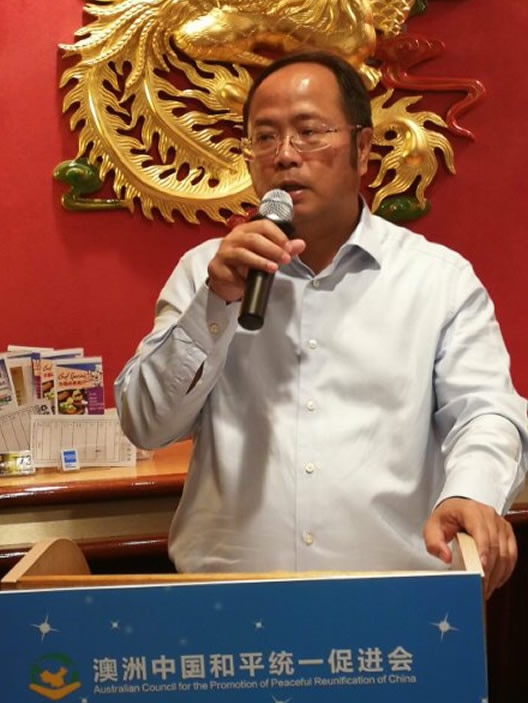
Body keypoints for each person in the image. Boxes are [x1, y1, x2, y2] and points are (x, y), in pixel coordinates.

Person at [114, 50, 527, 599]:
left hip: (394, 606)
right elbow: (145, 423)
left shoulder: (437, 280)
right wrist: (217, 303)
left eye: (309, 132)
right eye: (264, 137)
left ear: (362, 147)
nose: (285, 156)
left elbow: (486, 412)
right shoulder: (205, 273)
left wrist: (473, 492)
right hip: (229, 609)